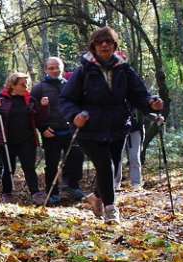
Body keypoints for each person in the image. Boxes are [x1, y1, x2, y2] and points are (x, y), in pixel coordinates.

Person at [60, 26, 163, 224]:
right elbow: (66, 99)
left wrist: (152, 103)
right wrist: (74, 115)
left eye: (109, 42)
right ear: (93, 47)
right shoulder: (84, 71)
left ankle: (96, 197)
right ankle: (110, 209)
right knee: (105, 165)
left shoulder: (124, 69)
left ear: (115, 46)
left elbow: (139, 94)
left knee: (113, 167)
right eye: (100, 42)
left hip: (117, 126)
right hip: (89, 128)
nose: (104, 45)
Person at [0, 72, 49, 205]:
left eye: (27, 84)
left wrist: (44, 107)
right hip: (5, 140)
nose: (26, 87)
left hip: (27, 139)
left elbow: (39, 119)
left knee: (29, 167)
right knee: (10, 168)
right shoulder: (0, 99)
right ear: (12, 85)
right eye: (23, 84)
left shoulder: (30, 100)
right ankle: (7, 193)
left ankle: (35, 193)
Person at [32, 56, 86, 206]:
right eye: (51, 68)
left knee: (76, 158)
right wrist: (42, 129)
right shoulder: (39, 88)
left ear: (62, 67)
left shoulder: (70, 85)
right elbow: (32, 112)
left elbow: (78, 105)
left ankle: (72, 186)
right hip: (51, 132)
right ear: (45, 70)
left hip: (70, 130)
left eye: (58, 67)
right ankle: (53, 192)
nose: (55, 70)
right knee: (52, 163)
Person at [114, 114, 144, 191]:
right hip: (118, 129)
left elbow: (145, 107)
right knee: (117, 157)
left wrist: (156, 117)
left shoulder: (136, 102)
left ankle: (136, 183)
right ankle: (115, 183)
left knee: (134, 157)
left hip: (135, 129)